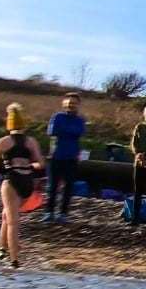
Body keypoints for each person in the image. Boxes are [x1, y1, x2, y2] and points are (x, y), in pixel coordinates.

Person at [0, 103, 44, 268]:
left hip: (11, 180)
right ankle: (1, 248)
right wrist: (28, 166)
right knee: (7, 214)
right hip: (27, 181)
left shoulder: (4, 142)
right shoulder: (31, 141)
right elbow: (40, 164)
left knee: (12, 220)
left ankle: (14, 261)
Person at [45, 93, 86, 224]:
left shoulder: (80, 120)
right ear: (64, 104)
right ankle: (49, 212)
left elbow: (79, 132)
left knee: (69, 186)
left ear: (78, 105)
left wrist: (65, 131)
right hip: (55, 156)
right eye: (68, 103)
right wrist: (69, 132)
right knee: (52, 186)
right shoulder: (57, 116)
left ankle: (63, 213)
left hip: (71, 157)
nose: (70, 105)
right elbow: (51, 132)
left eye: (73, 103)